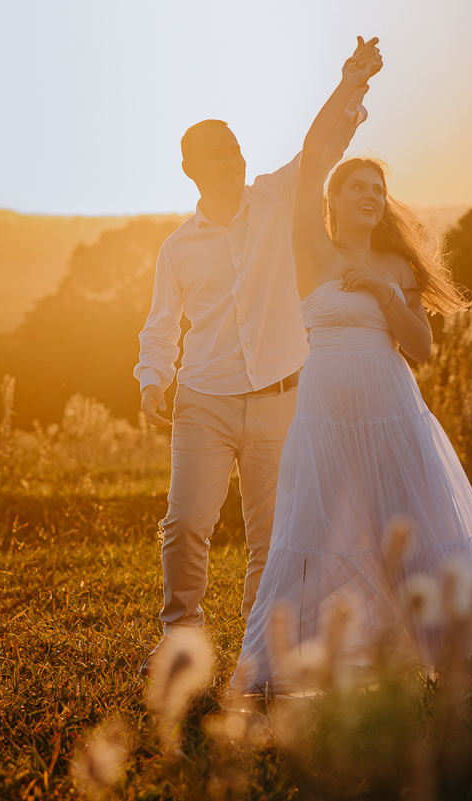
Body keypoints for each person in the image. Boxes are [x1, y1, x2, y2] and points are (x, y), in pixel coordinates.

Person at [230, 51, 472, 697]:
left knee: (424, 530)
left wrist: (387, 294)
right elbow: (312, 156)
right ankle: (275, 669)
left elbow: (421, 349)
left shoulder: (397, 267)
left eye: (378, 190)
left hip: (392, 404)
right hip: (325, 408)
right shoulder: (312, 250)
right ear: (333, 200)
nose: (369, 197)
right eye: (356, 188)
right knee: (310, 530)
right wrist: (349, 84)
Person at [135, 38, 383, 675]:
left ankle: (257, 648)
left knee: (270, 541)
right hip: (204, 402)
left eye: (233, 149)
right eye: (212, 156)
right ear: (189, 170)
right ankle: (181, 638)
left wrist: (352, 82)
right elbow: (162, 325)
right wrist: (152, 377)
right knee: (187, 523)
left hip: (281, 398)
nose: (228, 161)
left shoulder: (275, 199)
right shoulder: (177, 249)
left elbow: (322, 145)